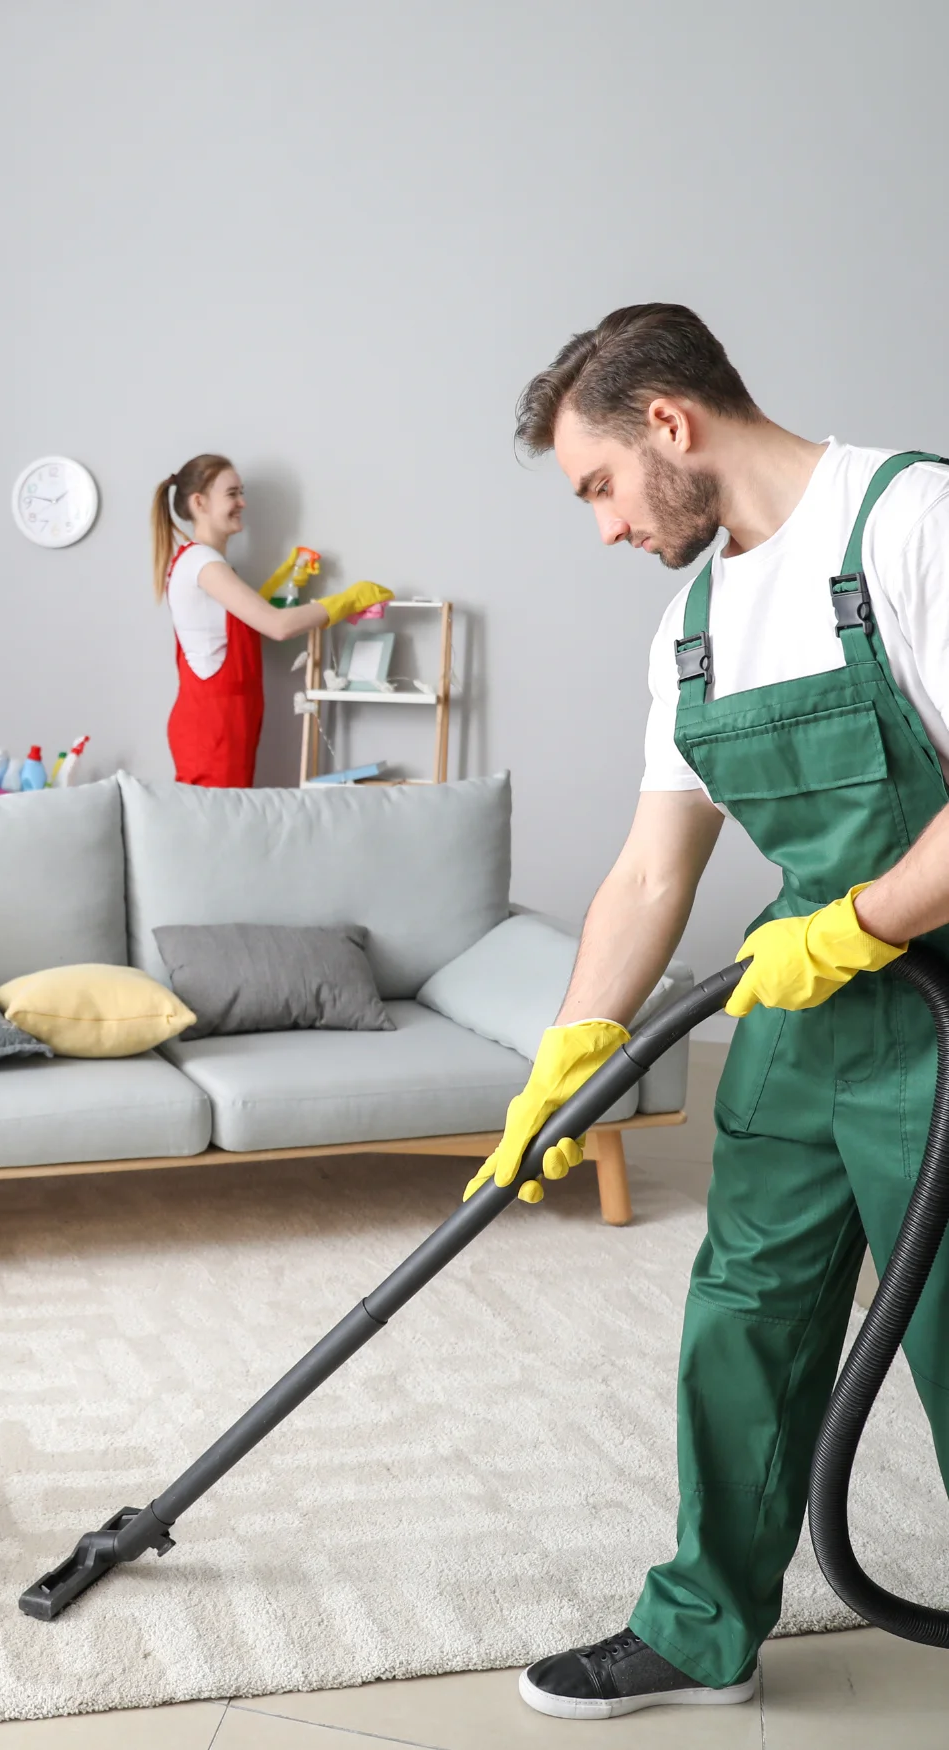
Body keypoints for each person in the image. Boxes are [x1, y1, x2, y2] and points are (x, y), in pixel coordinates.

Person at [477, 303, 949, 1720]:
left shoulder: (908, 521)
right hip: (797, 1022)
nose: (605, 526)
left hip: (936, 1018)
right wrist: (568, 1050)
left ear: (668, 424)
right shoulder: (691, 622)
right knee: (740, 1316)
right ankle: (701, 1623)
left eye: (598, 485)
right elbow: (646, 867)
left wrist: (864, 921)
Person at [149, 454, 390, 785]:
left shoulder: (201, 562)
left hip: (223, 720)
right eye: (232, 493)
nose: (243, 503)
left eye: (241, 492)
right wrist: (348, 600)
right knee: (218, 828)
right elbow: (278, 626)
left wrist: (286, 581)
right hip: (213, 725)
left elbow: (244, 622)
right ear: (200, 502)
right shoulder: (203, 563)